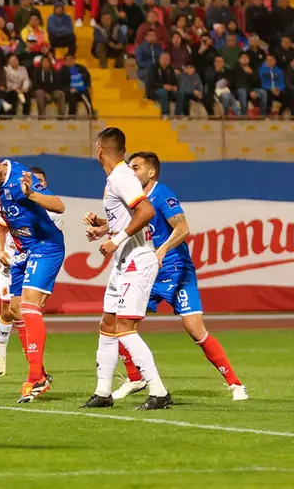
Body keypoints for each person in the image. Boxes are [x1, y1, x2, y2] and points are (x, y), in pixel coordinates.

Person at [106, 152, 249, 403]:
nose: (131, 172)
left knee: (196, 330)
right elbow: (128, 226)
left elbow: (183, 228)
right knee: (120, 322)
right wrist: (100, 226)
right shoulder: (134, 198)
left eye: (136, 167)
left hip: (175, 269)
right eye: (129, 167)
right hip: (147, 271)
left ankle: (235, 384)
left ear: (151, 172)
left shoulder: (162, 194)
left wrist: (162, 250)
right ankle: (135, 378)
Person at [80, 127, 172, 411]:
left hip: (137, 259)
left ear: (100, 150)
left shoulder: (121, 176)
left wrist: (115, 240)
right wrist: (103, 228)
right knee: (108, 325)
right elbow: (128, 217)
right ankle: (103, 392)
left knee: (125, 329)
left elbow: (146, 211)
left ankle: (158, 391)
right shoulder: (116, 178)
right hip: (123, 261)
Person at [0, 149, 65, 402]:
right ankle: (40, 373)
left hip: (45, 247)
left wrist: (31, 193)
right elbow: (7, 204)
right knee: (14, 310)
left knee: (29, 306)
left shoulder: (20, 177)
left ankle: (35, 377)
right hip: (22, 251)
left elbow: (59, 205)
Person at [150, 52, 179, 118]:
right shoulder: (153, 67)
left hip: (168, 89)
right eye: (164, 58)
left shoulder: (170, 68)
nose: (166, 60)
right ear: (160, 59)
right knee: (163, 92)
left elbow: (175, 81)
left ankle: (178, 114)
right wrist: (163, 86)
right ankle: (164, 114)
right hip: (154, 89)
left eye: (168, 59)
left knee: (180, 93)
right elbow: (151, 82)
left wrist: (175, 87)